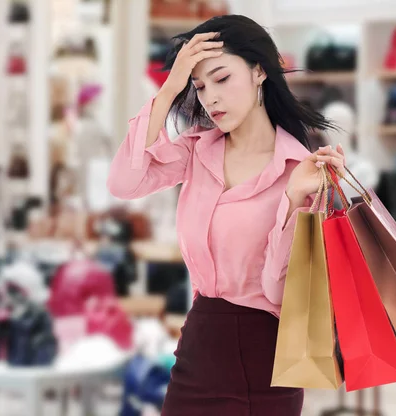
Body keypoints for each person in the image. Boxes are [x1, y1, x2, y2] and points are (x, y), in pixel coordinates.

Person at [107, 15, 346, 416]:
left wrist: (290, 198)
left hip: (266, 360)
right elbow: (124, 183)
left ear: (258, 72)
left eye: (221, 79)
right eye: (198, 87)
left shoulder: (300, 170)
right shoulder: (197, 151)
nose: (209, 98)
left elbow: (277, 290)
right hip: (198, 348)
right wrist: (169, 88)